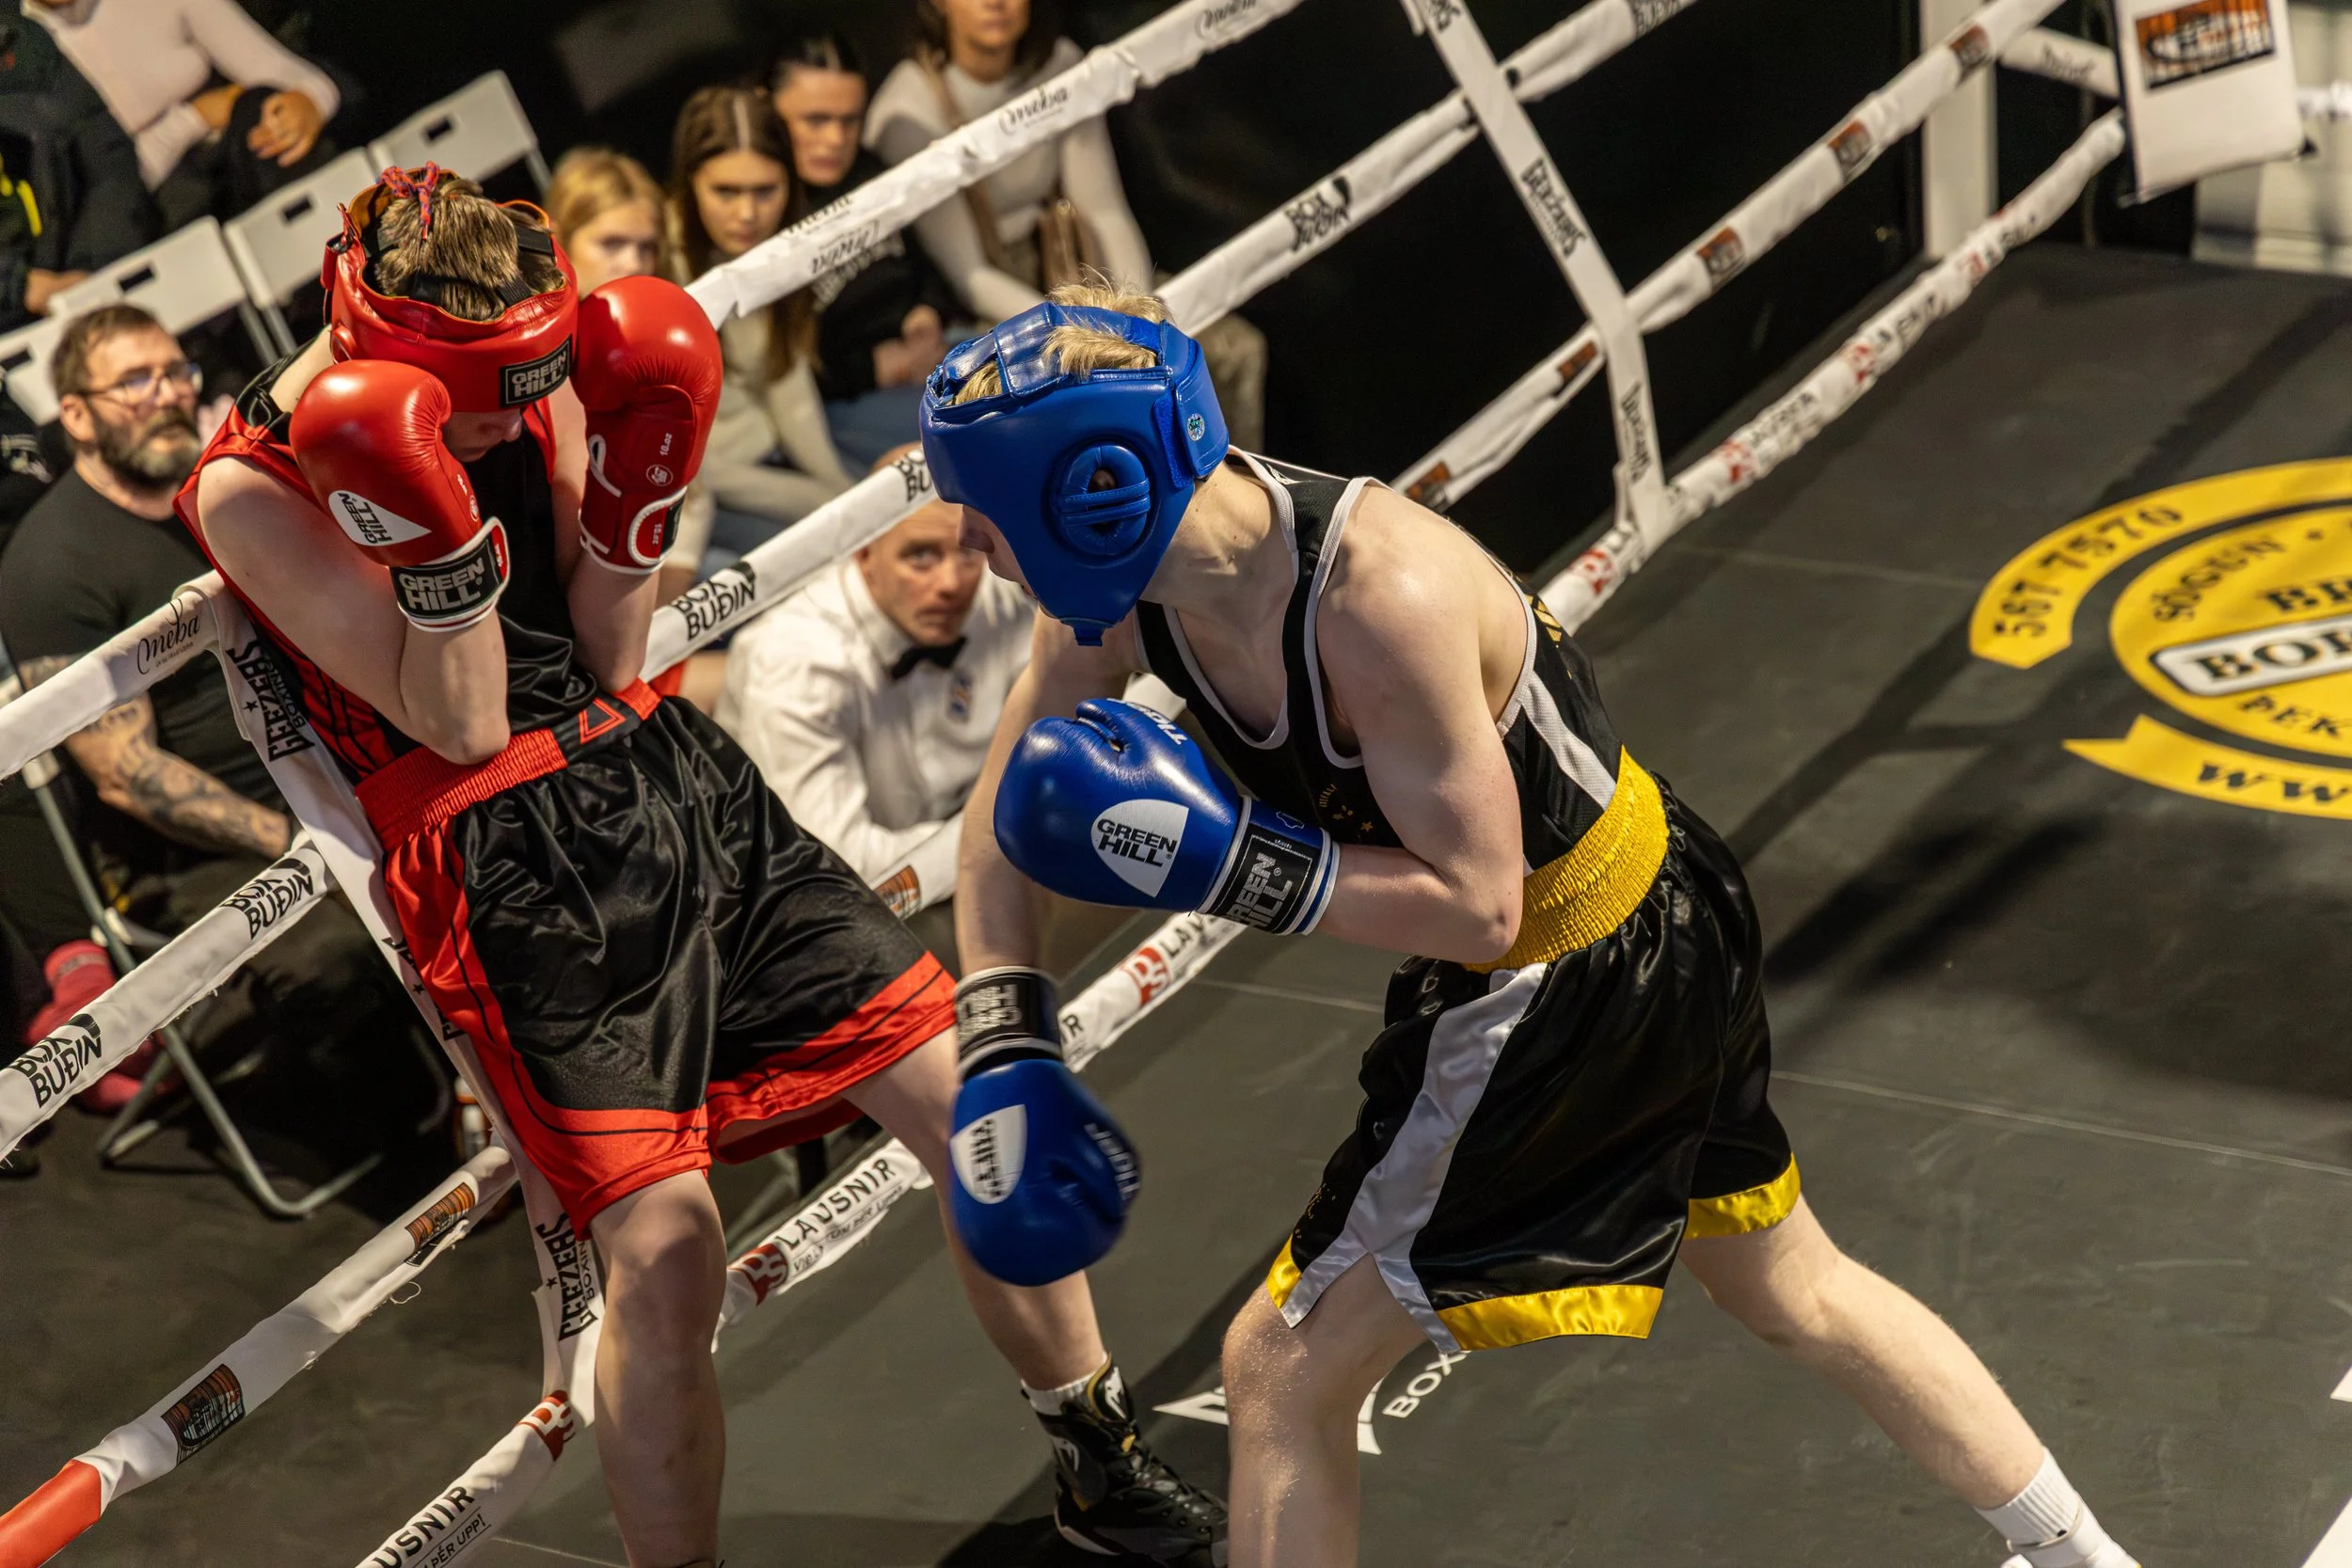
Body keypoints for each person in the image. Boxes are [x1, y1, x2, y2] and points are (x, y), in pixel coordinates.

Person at [936, 285, 2141, 1568]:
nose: (971, 546)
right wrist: (1006, 1024)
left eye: (989, 513)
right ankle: (2083, 1555)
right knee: (1793, 1283)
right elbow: (1013, 807)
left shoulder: (1373, 594)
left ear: (1093, 492)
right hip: (1657, 897)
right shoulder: (1119, 585)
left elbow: (1483, 904)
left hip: (1556, 971)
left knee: (1282, 1367)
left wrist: (1242, 866)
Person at [175, 166, 1221, 1564]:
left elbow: (611, 652)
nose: (503, 413)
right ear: (379, 344)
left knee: (970, 1101)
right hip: (505, 866)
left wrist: (634, 487)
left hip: (674, 782)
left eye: (524, 378)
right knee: (669, 1256)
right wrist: (436, 537)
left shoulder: (524, 369)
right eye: (479, 391)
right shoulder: (252, 485)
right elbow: (467, 720)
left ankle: (1102, 1455)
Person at [0, 303, 417, 1114]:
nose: (165, 395)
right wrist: (311, 845)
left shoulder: (229, 490)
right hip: (216, 849)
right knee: (347, 950)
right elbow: (127, 776)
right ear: (75, 416)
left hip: (343, 766)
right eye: (132, 382)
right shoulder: (51, 565)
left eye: (174, 372)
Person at [866, 0, 1265, 449]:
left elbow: (1104, 210)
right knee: (1078, 400)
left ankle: (1237, 501)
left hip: (1079, 270)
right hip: (996, 310)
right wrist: (1082, 334)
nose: (996, 3)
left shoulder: (1060, 66)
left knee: (1234, 351)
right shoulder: (909, 109)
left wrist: (1138, 315)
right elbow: (969, 277)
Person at [717, 444, 1030, 919]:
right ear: (863, 553)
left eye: (965, 553)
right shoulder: (794, 663)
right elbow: (836, 869)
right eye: (920, 556)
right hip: (820, 920)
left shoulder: (996, 593)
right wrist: (1008, 833)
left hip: (966, 865)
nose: (950, 583)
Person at [665, 85, 850, 567]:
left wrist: (844, 496)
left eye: (765, 191)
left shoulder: (782, 251)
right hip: (702, 499)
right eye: (725, 191)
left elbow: (788, 387)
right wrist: (821, 501)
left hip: (777, 463)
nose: (747, 214)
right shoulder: (657, 268)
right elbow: (685, 463)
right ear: (689, 184)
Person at [771, 34, 958, 472]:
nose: (835, 139)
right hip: (847, 401)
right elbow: (772, 369)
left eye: (850, 120)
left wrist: (926, 312)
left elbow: (927, 264)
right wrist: (869, 368)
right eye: (815, 120)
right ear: (769, 111)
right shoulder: (763, 209)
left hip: (934, 352)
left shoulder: (869, 170)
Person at [25, 0, 339, 229]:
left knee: (263, 112)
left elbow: (286, 74)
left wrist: (308, 103)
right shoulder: (18, 56)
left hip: (231, 160)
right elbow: (98, 195)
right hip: (145, 211)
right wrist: (193, 118)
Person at [0, 13, 157, 328]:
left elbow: (106, 157)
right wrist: (18, 286)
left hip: (87, 272)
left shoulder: (18, 41)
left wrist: (92, 274)